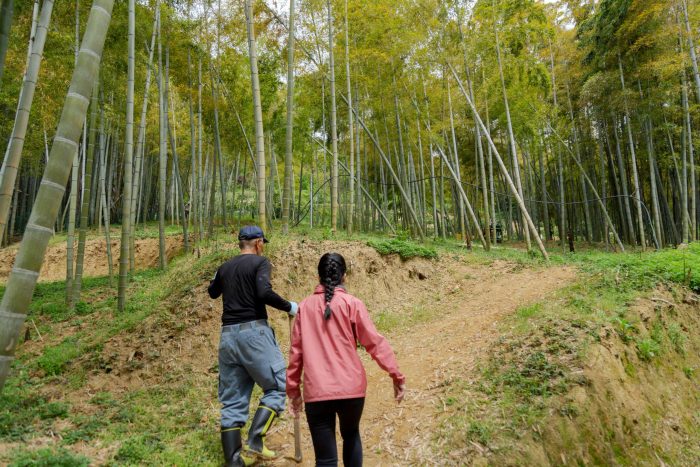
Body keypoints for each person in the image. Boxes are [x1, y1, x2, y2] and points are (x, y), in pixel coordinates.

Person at [286, 252, 406, 467]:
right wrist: (395, 374)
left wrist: (293, 391)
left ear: (318, 276)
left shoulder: (304, 307)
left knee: (325, 459)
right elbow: (374, 343)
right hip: (351, 388)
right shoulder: (352, 303)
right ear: (344, 276)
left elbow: (296, 353)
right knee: (351, 436)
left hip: (317, 392)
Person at [208, 226, 298, 467]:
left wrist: (221, 276)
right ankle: (256, 441)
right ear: (258, 243)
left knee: (233, 399)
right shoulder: (260, 263)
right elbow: (263, 292)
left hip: (228, 337)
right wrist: (289, 306)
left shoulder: (224, 267)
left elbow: (212, 292)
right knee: (278, 386)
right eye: (263, 243)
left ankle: (234, 460)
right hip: (254, 334)